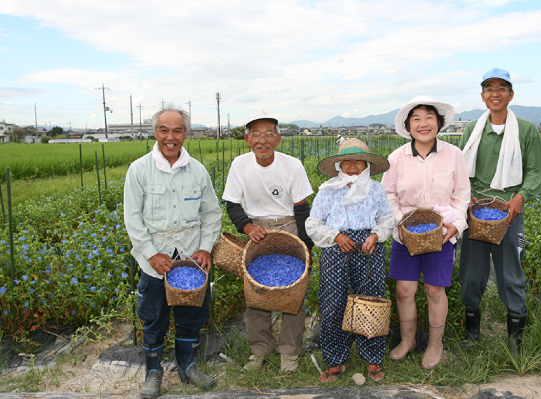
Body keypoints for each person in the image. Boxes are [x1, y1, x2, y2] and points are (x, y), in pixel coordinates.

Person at [124, 105, 222, 398]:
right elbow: (133, 218)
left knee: (191, 314)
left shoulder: (198, 170)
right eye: (164, 130)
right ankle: (153, 373)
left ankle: (188, 366)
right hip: (155, 259)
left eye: (177, 130)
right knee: (154, 316)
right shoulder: (139, 169)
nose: (170, 136)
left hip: (191, 257)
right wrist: (152, 253)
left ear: (186, 134)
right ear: (155, 133)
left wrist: (205, 248)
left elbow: (211, 214)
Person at [458, 68, 541, 355]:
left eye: (501, 88)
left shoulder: (527, 130)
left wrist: (521, 196)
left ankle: (515, 339)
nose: (495, 93)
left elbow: (535, 171)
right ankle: (472, 332)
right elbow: (461, 170)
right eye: (489, 89)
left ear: (510, 94)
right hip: (476, 211)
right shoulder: (473, 129)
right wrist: (466, 195)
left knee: (510, 272)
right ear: (483, 96)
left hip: (509, 211)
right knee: (472, 271)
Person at [382, 95, 471, 369]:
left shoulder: (453, 154)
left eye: (429, 117)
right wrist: (400, 221)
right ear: (408, 126)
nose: (423, 124)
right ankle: (408, 340)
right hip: (404, 234)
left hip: (441, 233)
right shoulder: (396, 157)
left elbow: (462, 196)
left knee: (434, 290)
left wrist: (456, 225)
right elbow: (388, 194)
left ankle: (435, 344)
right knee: (404, 290)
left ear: (439, 123)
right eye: (416, 119)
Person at [222, 110, 314, 373]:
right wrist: (248, 227)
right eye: (256, 135)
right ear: (247, 138)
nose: (263, 141)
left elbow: (301, 207)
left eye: (268, 135)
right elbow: (232, 204)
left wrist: (306, 247)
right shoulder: (240, 164)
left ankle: (290, 353)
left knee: (292, 293)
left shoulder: (292, 165)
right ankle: (260, 349)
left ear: (278, 138)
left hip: (288, 227)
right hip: (257, 231)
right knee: (256, 292)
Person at [306, 138, 393, 382]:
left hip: (369, 248)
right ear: (339, 165)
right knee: (333, 303)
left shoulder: (375, 189)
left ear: (367, 165)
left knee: (370, 302)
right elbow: (313, 223)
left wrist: (375, 235)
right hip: (335, 247)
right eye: (347, 161)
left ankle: (373, 359)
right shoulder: (328, 190)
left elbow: (387, 219)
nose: (353, 166)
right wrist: (336, 236)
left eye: (359, 161)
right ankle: (335, 361)